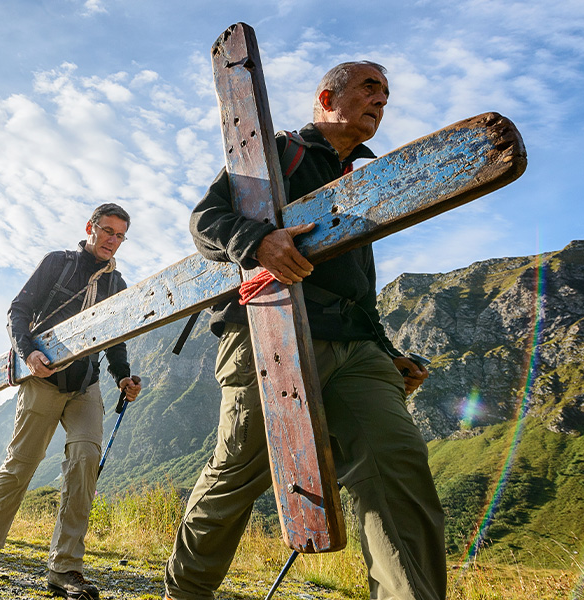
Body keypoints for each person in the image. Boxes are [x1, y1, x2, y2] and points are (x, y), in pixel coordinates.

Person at [162, 62, 442, 600]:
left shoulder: (364, 181)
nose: (381, 100)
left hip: (356, 349)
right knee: (238, 472)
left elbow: (360, 286)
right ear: (327, 98)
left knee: (397, 465)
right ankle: (186, 593)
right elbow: (205, 220)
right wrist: (257, 242)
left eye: (386, 94)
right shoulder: (275, 153)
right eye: (370, 88)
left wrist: (387, 351)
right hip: (270, 327)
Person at [0, 203, 144, 599]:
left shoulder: (117, 285)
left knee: (85, 463)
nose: (113, 240)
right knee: (22, 462)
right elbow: (19, 310)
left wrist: (122, 377)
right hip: (43, 380)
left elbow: (115, 341)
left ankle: (65, 568)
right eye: (107, 231)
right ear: (90, 227)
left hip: (86, 384)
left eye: (120, 236)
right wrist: (28, 352)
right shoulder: (58, 263)